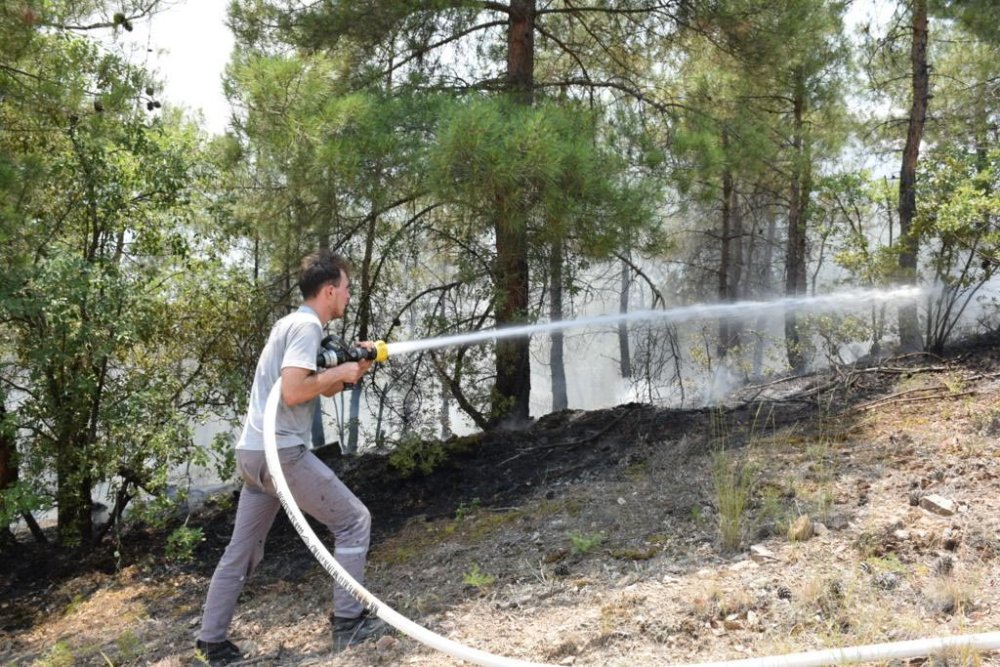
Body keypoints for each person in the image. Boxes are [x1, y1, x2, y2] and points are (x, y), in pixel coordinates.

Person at [195, 250, 389, 665]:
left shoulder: (293, 324)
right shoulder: (305, 326)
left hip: (253, 453)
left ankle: (211, 641)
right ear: (330, 290)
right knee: (354, 520)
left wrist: (355, 364)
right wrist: (337, 373)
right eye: (347, 289)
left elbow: (322, 386)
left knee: (242, 549)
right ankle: (349, 624)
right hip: (280, 452)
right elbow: (294, 391)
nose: (349, 297)